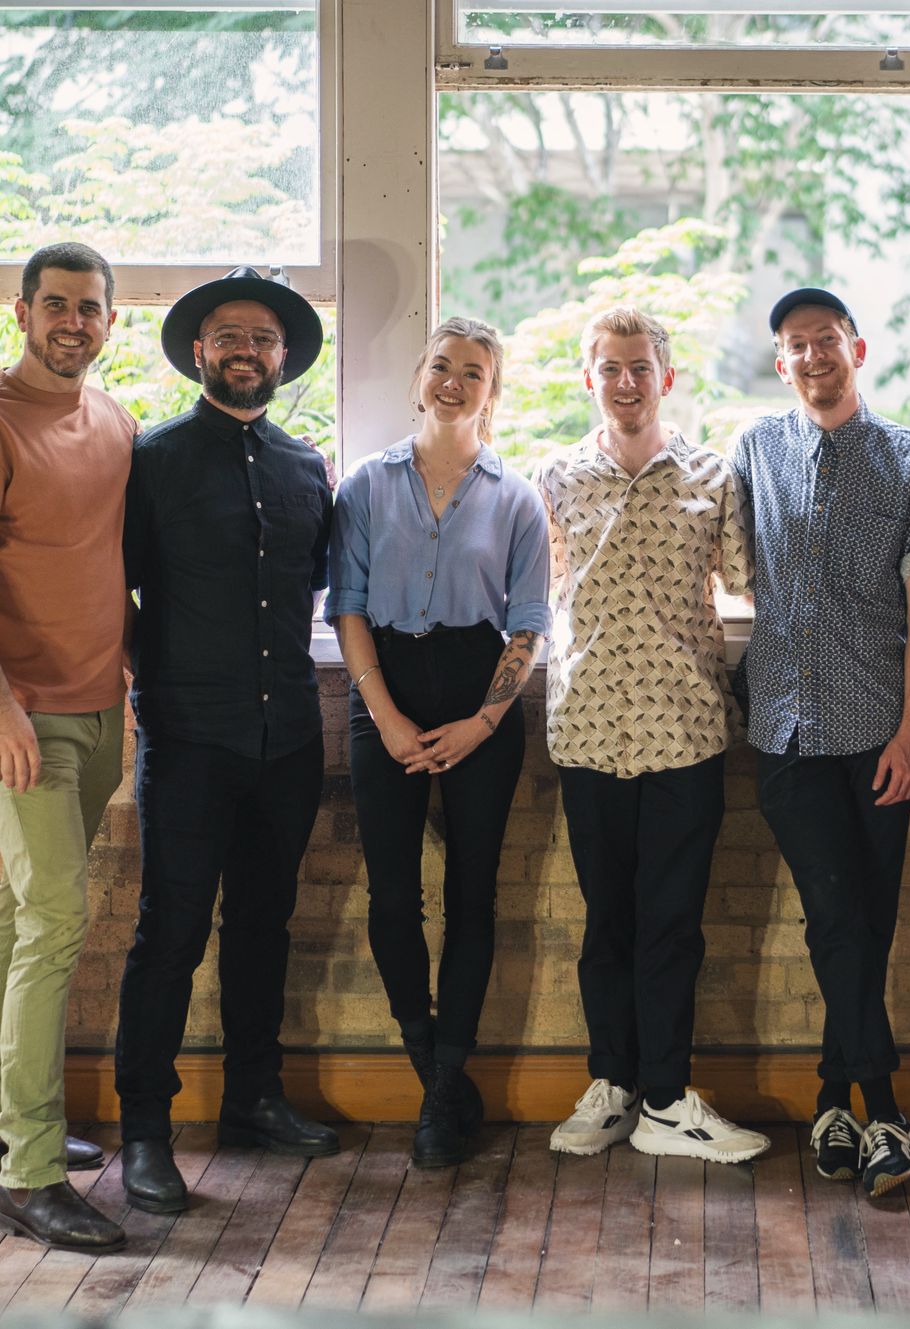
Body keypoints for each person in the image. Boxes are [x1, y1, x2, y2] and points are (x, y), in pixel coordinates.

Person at [0, 241, 134, 1252]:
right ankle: (30, 1173)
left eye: (89, 308)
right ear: (20, 311)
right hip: (18, 715)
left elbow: (106, 564)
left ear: (108, 322)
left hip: (98, 708)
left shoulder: (114, 422)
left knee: (22, 905)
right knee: (55, 917)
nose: (73, 322)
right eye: (56, 304)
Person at [114, 265, 338, 1216]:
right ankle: (145, 1134)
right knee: (170, 935)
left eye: (264, 338)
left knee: (262, 928)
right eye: (229, 336)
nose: (248, 350)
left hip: (287, 736)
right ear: (199, 353)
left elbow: (319, 591)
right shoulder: (151, 459)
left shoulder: (305, 467)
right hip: (189, 737)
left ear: (283, 357)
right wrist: (143, 684)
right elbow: (112, 593)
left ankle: (253, 1100)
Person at [538, 306, 768, 1165]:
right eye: (610, 368)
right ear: (587, 377)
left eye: (640, 367)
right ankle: (613, 1084)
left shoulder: (713, 473)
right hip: (589, 724)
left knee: (672, 922)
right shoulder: (556, 476)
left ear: (665, 377)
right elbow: (541, 594)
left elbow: (747, 584)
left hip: (686, 726)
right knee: (608, 921)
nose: (625, 382)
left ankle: (669, 1099)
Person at [731, 288, 910, 1195]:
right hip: (782, 726)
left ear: (855, 347)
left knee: (865, 923)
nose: (813, 355)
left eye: (826, 340)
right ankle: (888, 1113)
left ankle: (831, 1099)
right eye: (795, 345)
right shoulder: (754, 450)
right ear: (781, 363)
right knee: (836, 916)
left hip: (874, 731)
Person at [326, 317, 549, 1169]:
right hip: (382, 685)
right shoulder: (366, 485)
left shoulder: (516, 496)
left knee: (473, 895)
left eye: (475, 372)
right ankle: (434, 1074)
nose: (455, 382)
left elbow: (527, 624)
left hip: (478, 691)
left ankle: (446, 1074)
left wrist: (483, 721)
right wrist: (380, 712)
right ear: (420, 377)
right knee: (392, 896)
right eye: (442, 366)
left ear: (494, 392)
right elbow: (345, 603)